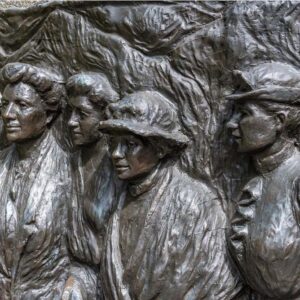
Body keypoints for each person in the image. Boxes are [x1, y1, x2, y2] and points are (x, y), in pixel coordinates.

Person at [99, 90, 243, 300]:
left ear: (161, 149)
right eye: (113, 143)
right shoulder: (114, 196)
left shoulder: (196, 204)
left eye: (130, 145)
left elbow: (218, 281)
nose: (116, 154)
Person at [227, 62, 300, 299]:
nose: (231, 123)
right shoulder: (255, 184)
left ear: (279, 120)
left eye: (244, 113)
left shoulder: (296, 178)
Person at [0, 62, 70, 299]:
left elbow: (87, 259)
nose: (8, 114)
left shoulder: (69, 174)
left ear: (48, 115)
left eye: (21, 105)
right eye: (5, 104)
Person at [63, 72, 122, 299]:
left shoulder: (118, 168)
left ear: (103, 117)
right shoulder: (72, 162)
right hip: (76, 278)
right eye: (70, 111)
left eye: (83, 114)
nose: (71, 121)